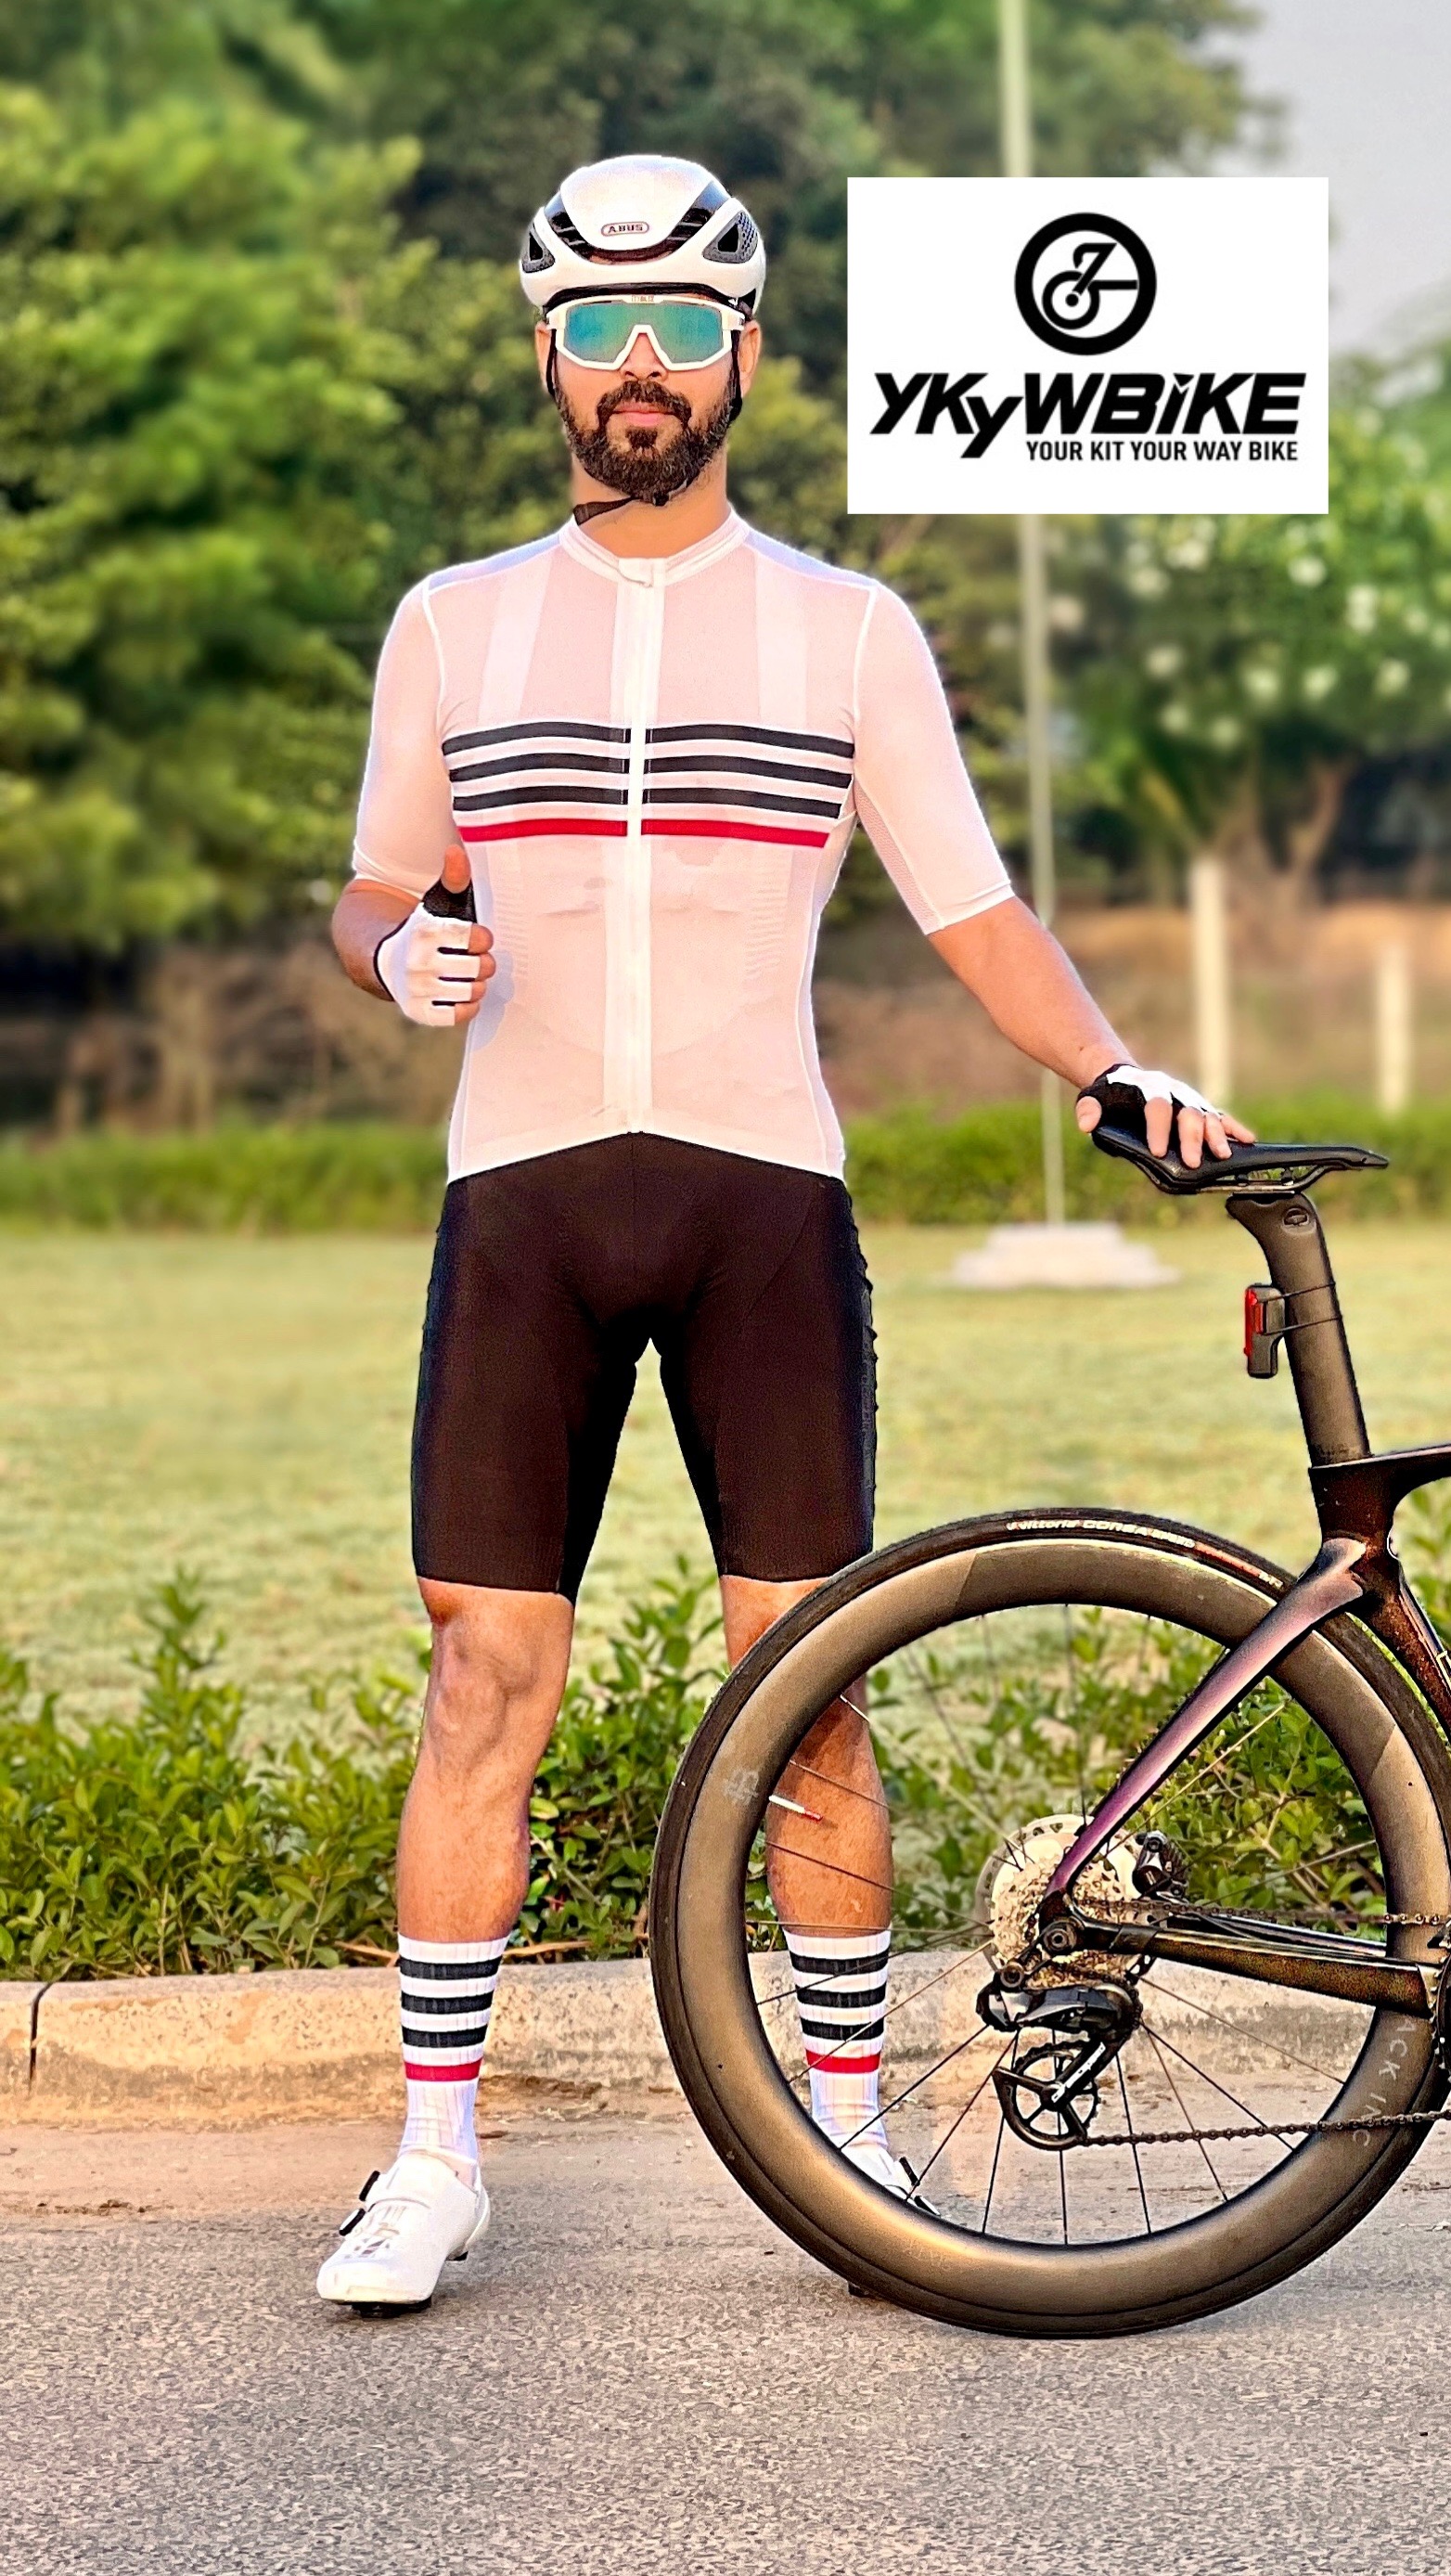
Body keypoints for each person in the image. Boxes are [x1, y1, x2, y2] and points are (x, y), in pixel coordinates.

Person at [317, 152, 1251, 2312]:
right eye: (595, 328)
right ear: (545, 355)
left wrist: (1107, 1067)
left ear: (743, 351)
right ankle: (432, 2157)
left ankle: (847, 2142)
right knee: (481, 1670)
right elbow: (371, 882)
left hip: (760, 1198)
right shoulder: (451, 620)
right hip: (522, 1194)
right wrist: (391, 954)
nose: (636, 368)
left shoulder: (847, 630)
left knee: (808, 1678)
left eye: (677, 327)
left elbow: (972, 907)